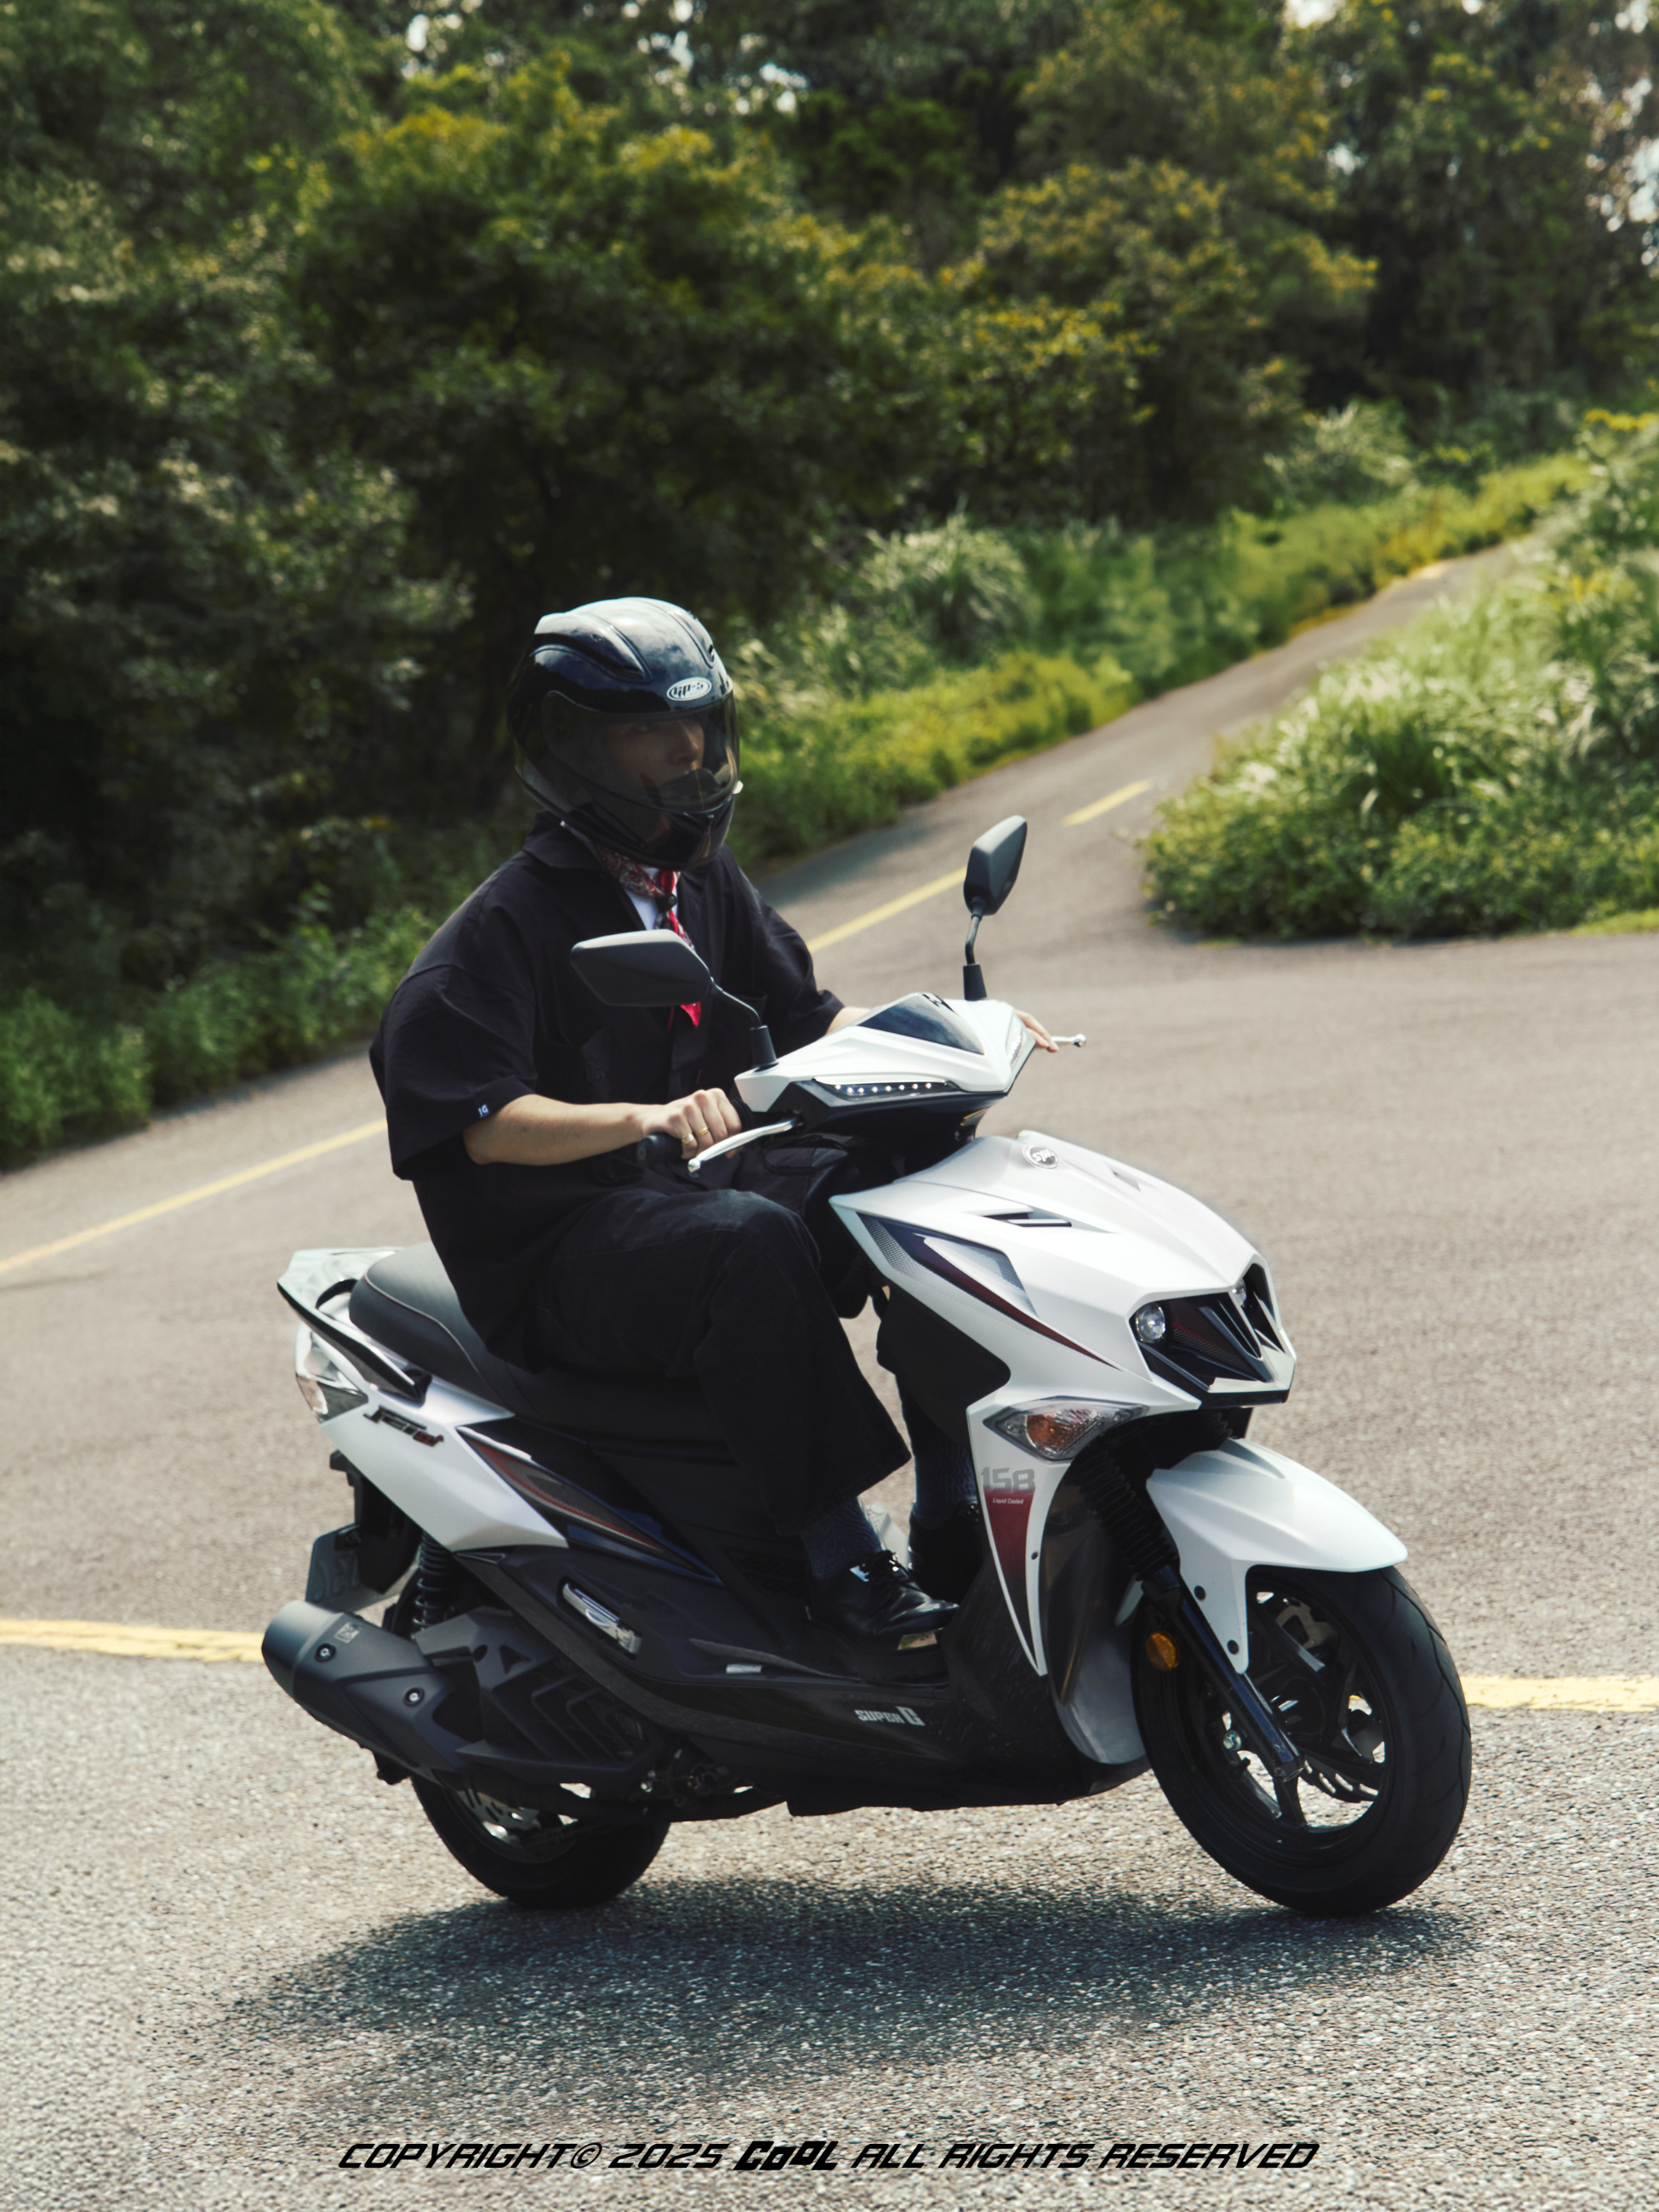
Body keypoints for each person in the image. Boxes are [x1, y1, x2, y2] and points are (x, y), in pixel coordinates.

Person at [369, 596, 1055, 1657]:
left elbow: (811, 1020)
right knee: (748, 1243)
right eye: (651, 731)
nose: (689, 749)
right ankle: (844, 1567)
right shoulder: (499, 933)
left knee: (910, 1166)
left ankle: (956, 1508)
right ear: (579, 748)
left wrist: (951, 1032)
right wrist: (644, 1114)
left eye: (696, 725)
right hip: (557, 1252)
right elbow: (486, 1124)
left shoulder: (695, 883)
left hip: (676, 1196)